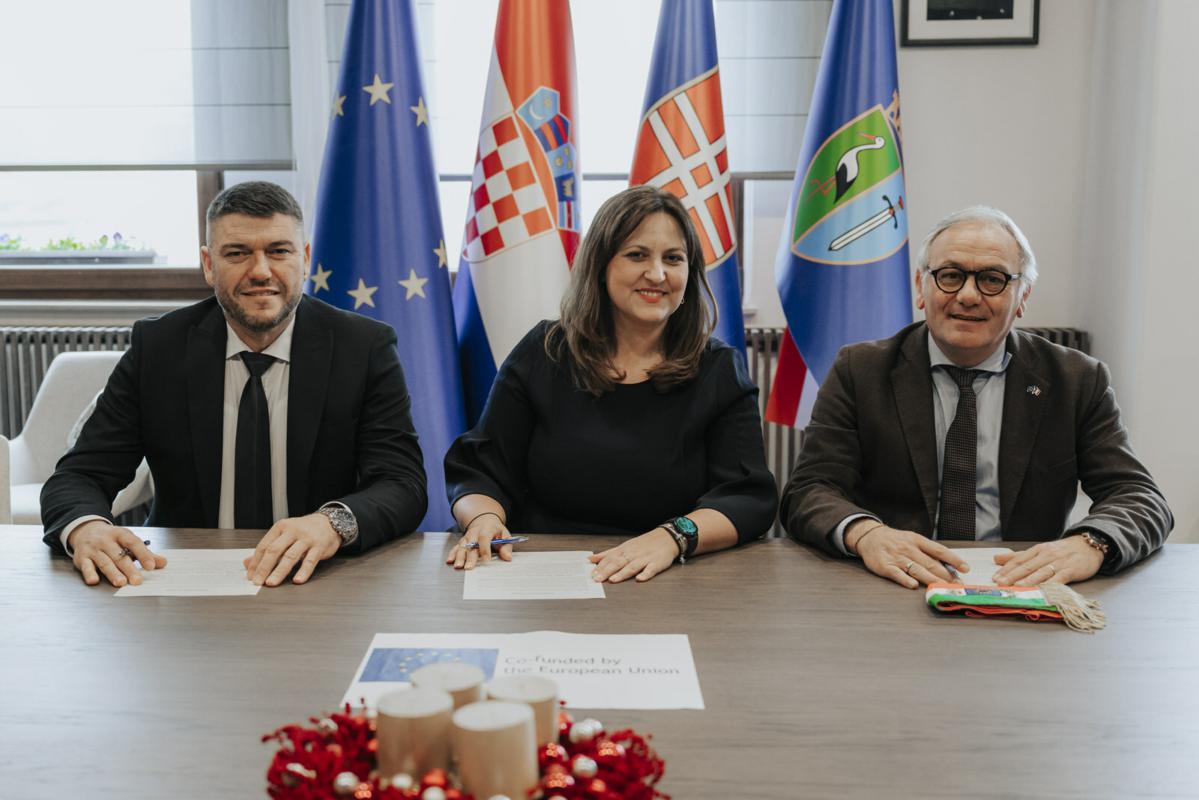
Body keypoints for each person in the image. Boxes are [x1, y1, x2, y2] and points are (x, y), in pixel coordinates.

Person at [40, 181, 427, 588]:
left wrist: (331, 524)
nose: (260, 271)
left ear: (305, 259)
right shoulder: (160, 348)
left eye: (279, 251)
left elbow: (403, 484)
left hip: (318, 578)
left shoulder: (362, 348)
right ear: (209, 265)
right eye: (237, 253)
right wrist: (86, 528)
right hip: (184, 578)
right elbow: (81, 474)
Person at [781, 206, 1172, 588]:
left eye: (992, 279)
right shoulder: (861, 370)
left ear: (1023, 296)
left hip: (1022, 586)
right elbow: (810, 489)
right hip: (896, 582)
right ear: (921, 287)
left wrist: (1091, 543)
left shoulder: (1076, 380)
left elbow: (1139, 497)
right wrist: (868, 535)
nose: (968, 296)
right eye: (950, 276)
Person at [443, 185, 778, 582]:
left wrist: (673, 537)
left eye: (673, 258)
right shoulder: (544, 351)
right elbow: (481, 469)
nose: (657, 274)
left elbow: (746, 496)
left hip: (670, 575)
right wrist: (482, 518)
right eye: (637, 255)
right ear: (600, 266)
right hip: (544, 572)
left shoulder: (717, 367)